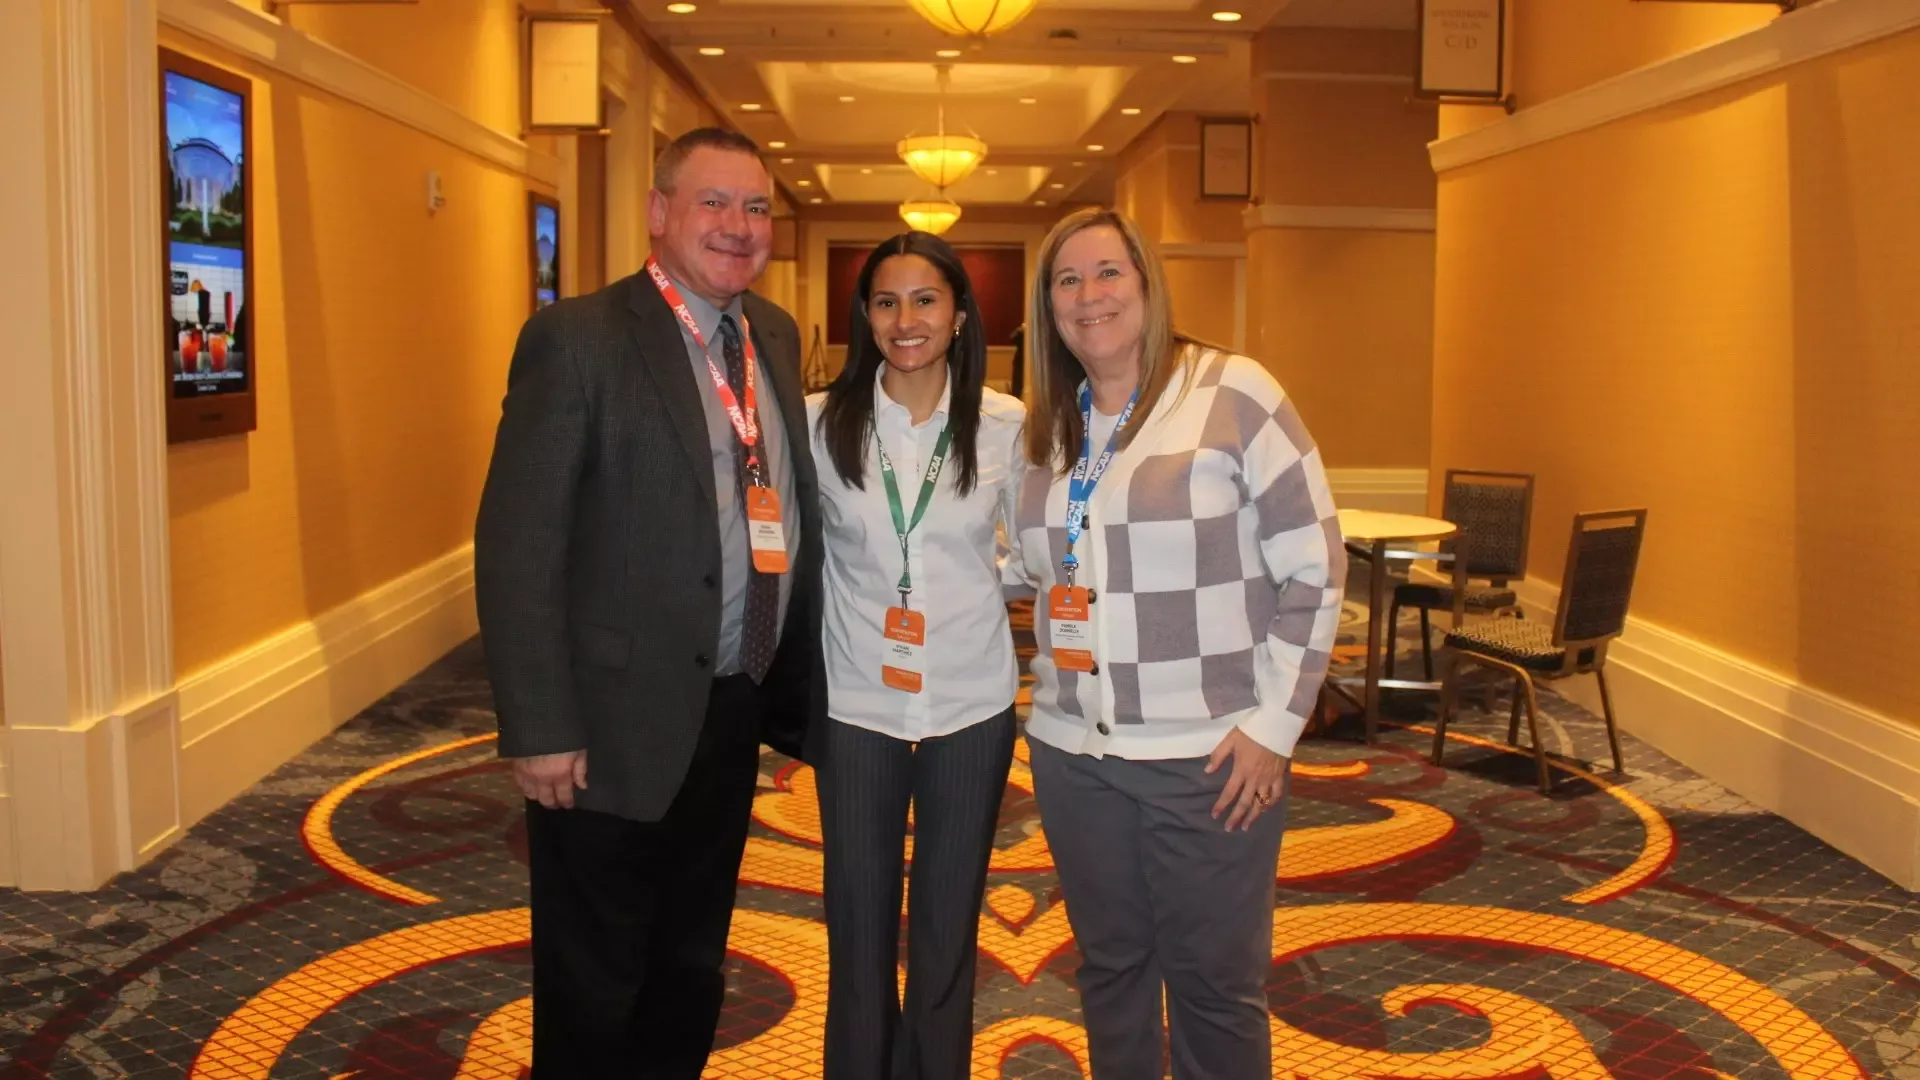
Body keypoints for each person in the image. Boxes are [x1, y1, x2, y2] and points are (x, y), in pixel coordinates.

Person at [473, 127, 824, 1079]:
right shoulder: (578, 338)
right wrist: (541, 723)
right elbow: (519, 547)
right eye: (714, 202)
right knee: (598, 972)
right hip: (610, 720)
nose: (738, 227)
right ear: (660, 212)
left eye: (756, 208)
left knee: (692, 955)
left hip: (731, 701)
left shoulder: (774, 335)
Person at [1003, 208, 1344, 1080]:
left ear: (1148, 283)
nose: (1090, 296)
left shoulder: (1232, 393)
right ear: (1048, 308)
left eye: (1109, 272)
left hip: (1210, 757)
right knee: (1111, 972)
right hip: (1075, 752)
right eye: (1067, 281)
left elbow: (1315, 564)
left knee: (1214, 987)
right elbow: (1027, 568)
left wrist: (1276, 726)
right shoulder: (1044, 429)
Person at [808, 232, 1026, 1080]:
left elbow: (1036, 551)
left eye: (926, 300)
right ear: (866, 317)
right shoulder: (821, 422)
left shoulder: (1008, 425)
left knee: (947, 927)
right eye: (887, 301)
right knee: (858, 927)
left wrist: (977, 586)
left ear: (961, 316)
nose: (907, 320)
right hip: (858, 702)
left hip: (972, 704)